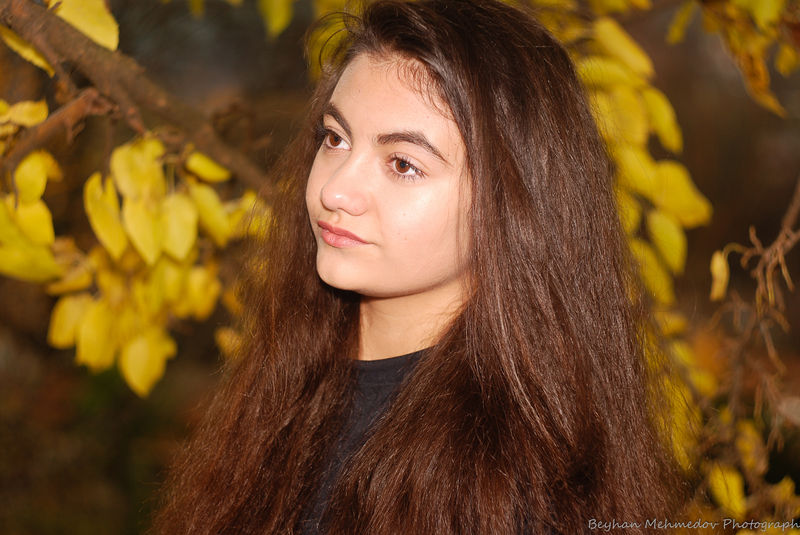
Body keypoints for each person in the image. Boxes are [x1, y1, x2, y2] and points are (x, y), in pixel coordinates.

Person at [150, 0, 685, 533]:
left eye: (403, 164)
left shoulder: (518, 491)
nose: (335, 190)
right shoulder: (285, 385)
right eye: (335, 139)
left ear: (513, 204)